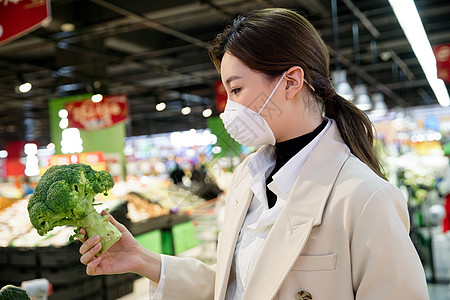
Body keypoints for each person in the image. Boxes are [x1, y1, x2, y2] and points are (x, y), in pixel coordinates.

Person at [79, 8, 429, 299]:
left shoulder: (365, 197)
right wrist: (142, 259)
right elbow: (239, 284)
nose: (229, 108)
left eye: (237, 89)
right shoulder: (247, 178)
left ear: (291, 82)